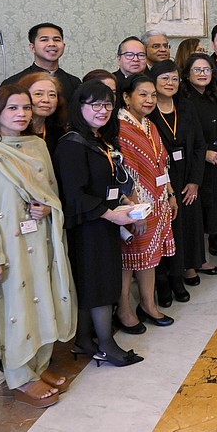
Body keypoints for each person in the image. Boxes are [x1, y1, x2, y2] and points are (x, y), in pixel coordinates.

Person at [0, 86, 75, 407]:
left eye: (26, 108)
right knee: (14, 310)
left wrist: (49, 209)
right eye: (12, 109)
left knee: (40, 302)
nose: (21, 114)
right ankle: (19, 376)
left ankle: (36, 367)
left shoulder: (37, 146)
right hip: (7, 247)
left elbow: (52, 192)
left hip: (39, 239)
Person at [54, 80, 144, 368]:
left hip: (102, 220)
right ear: (80, 107)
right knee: (98, 282)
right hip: (87, 225)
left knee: (95, 280)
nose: (102, 110)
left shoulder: (98, 139)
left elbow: (106, 184)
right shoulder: (71, 144)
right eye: (95, 104)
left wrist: (124, 205)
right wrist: (111, 214)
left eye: (107, 104)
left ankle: (84, 339)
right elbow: (75, 194)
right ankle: (105, 344)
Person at [116, 74, 176, 331]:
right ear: (127, 97)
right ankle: (125, 310)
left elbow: (162, 162)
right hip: (136, 206)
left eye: (153, 94)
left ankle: (148, 304)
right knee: (129, 260)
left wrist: (171, 193)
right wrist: (135, 212)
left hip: (159, 200)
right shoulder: (120, 127)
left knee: (150, 257)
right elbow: (124, 173)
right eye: (143, 94)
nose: (149, 99)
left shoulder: (149, 125)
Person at [148, 60, 208, 304]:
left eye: (174, 78)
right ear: (153, 82)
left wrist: (194, 181)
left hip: (186, 175)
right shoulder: (148, 111)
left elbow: (199, 145)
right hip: (159, 178)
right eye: (164, 79)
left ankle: (183, 271)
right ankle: (165, 280)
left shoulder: (186, 106)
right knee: (165, 228)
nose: (170, 83)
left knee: (187, 225)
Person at [181, 53, 217, 260]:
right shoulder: (183, 100)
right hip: (197, 162)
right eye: (197, 70)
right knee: (201, 206)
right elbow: (182, 136)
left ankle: (215, 237)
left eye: (206, 70)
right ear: (187, 74)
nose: (202, 74)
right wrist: (204, 154)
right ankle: (197, 254)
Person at [1, 22, 81, 100]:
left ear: (63, 46)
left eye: (56, 40)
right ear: (32, 47)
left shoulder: (74, 83)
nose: (52, 44)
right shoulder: (13, 83)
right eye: (44, 40)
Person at [16, 73, 66, 158]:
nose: (46, 100)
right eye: (38, 94)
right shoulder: (13, 131)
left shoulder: (59, 133)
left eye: (52, 95)